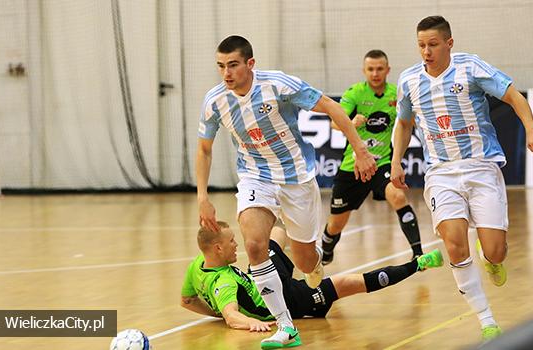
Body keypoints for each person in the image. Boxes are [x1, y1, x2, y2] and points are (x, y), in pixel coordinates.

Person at [195, 35, 377, 349]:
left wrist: (360, 149)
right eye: (221, 66)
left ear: (250, 64)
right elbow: (204, 149)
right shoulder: (215, 101)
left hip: (296, 178)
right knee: (254, 245)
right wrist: (202, 197)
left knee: (305, 263)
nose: (226, 73)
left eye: (233, 65)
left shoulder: (278, 85)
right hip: (255, 177)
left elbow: (331, 107)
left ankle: (316, 261)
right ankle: (286, 326)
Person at [391, 16, 533, 341]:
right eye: (421, 45)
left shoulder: (471, 67)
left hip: (481, 166)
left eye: (433, 44)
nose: (426, 52)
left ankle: (491, 256)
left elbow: (514, 96)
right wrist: (396, 161)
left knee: (496, 250)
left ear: (449, 43)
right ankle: (486, 320)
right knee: (453, 244)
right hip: (441, 173)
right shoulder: (408, 80)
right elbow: (404, 123)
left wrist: (532, 130)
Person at [180, 221, 444, 342]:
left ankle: (309, 254)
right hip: (289, 300)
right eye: (230, 242)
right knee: (352, 283)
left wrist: (212, 311)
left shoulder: (196, 266)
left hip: (265, 276)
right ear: (216, 248)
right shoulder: (223, 282)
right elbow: (231, 317)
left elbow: (186, 300)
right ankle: (418, 264)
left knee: (270, 237)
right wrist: (253, 323)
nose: (235, 244)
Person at [322, 49, 424, 266]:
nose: (375, 73)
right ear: (364, 71)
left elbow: (411, 121)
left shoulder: (396, 94)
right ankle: (327, 246)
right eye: (370, 69)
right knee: (336, 224)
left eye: (379, 69)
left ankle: (418, 254)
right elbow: (333, 121)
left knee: (398, 197)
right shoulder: (356, 93)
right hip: (354, 167)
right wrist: (350, 123)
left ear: (387, 70)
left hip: (381, 163)